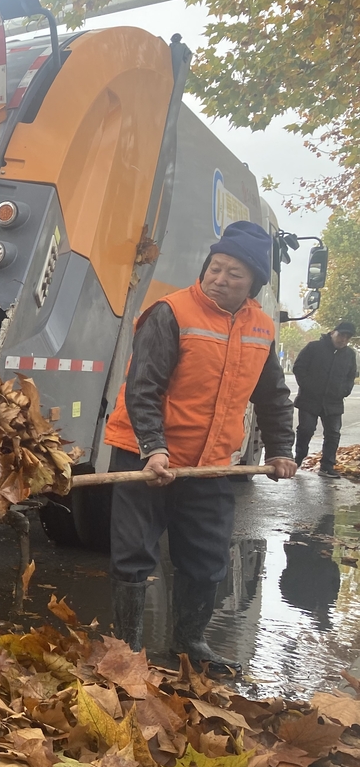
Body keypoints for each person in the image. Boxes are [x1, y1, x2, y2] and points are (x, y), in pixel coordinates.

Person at [102, 220, 297, 672]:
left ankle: (189, 644)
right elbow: (143, 386)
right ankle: (127, 654)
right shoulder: (171, 313)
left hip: (210, 464)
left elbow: (272, 396)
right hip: (144, 453)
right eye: (215, 267)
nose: (219, 278)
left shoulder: (262, 328)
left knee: (208, 559)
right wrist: (154, 447)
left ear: (254, 284)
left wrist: (281, 449)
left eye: (234, 273)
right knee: (134, 555)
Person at [292, 322, 357, 478]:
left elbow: (350, 377)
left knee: (333, 434)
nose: (343, 340)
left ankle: (327, 466)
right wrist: (308, 386)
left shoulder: (349, 355)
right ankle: (298, 459)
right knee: (306, 430)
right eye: (341, 335)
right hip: (309, 399)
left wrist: (343, 391)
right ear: (332, 332)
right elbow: (299, 367)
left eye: (347, 337)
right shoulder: (314, 347)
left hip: (334, 402)